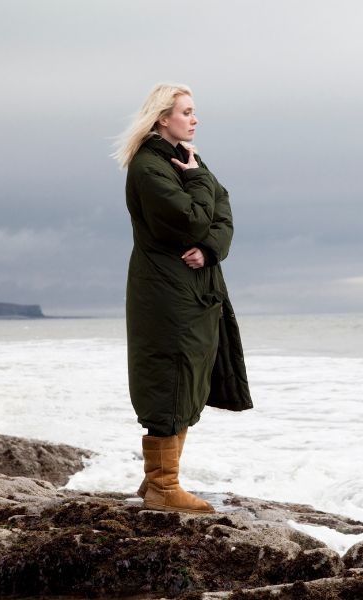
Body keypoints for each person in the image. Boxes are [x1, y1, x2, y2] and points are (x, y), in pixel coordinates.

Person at [113, 83, 252, 514]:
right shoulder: (149, 167)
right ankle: (162, 486)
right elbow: (191, 217)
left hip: (196, 287)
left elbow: (222, 209)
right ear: (161, 117)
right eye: (187, 112)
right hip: (165, 289)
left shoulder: (187, 159)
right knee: (169, 376)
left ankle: (159, 482)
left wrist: (210, 248)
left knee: (190, 376)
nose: (195, 119)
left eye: (193, 112)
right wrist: (195, 186)